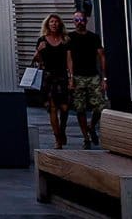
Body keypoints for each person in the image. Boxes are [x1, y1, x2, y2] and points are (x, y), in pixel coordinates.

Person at [68, 11, 107, 149]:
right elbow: (69, 58)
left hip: (92, 75)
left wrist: (104, 77)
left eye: (82, 20)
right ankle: (86, 137)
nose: (79, 22)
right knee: (80, 108)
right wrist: (71, 77)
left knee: (100, 105)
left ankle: (91, 126)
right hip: (78, 75)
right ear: (74, 22)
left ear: (86, 21)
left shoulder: (93, 37)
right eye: (76, 20)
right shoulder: (70, 37)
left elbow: (101, 56)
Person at [32, 14, 72, 149]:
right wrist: (39, 50)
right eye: (51, 22)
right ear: (47, 25)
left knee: (65, 107)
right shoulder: (42, 40)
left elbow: (69, 60)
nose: (54, 24)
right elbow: (37, 60)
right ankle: (57, 139)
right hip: (48, 77)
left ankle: (62, 130)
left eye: (56, 22)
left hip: (62, 76)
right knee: (52, 108)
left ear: (60, 24)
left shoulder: (65, 40)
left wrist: (71, 77)